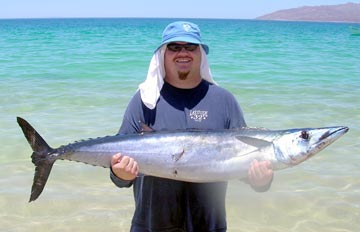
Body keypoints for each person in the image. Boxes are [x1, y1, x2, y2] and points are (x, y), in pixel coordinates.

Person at [110, 21, 274, 232]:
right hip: (150, 226)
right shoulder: (144, 100)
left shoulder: (224, 101)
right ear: (162, 54)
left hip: (209, 226)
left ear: (201, 53)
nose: (183, 53)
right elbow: (118, 172)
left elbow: (242, 163)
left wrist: (260, 181)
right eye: (174, 47)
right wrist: (120, 174)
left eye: (190, 47)